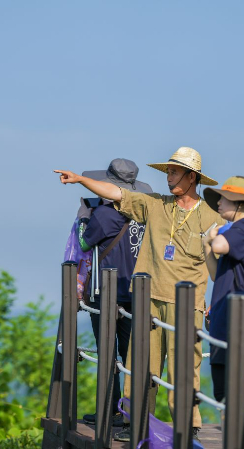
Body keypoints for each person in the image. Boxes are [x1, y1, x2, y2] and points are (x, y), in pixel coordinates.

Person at [55, 147, 225, 441]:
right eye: (168, 171)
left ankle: (188, 427)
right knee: (139, 366)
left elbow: (221, 265)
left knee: (185, 366)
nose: (168, 177)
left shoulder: (212, 217)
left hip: (188, 305)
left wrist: (215, 302)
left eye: (173, 172)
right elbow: (117, 194)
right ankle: (136, 424)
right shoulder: (157, 205)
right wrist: (81, 179)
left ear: (192, 176)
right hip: (148, 299)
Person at [75, 159, 153, 427]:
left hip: (106, 293)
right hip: (139, 293)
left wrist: (83, 218)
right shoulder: (145, 213)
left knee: (107, 353)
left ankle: (109, 410)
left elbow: (85, 242)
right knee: (134, 354)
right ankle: (134, 414)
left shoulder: (104, 215)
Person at [201, 176, 244, 403]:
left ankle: (239, 438)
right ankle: (234, 437)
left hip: (234, 323)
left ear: (239, 203)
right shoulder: (242, 229)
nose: (219, 203)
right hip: (225, 322)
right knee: (225, 394)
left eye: (224, 198)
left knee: (232, 394)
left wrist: (213, 238)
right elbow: (215, 274)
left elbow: (220, 245)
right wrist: (205, 245)